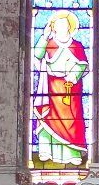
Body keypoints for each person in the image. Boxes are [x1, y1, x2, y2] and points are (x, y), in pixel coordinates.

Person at [32, 10, 88, 167]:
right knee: (48, 117)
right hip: (51, 86)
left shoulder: (76, 46)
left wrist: (74, 74)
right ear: (53, 28)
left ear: (70, 27)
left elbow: (83, 64)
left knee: (72, 120)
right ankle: (46, 150)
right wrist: (44, 37)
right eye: (58, 24)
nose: (61, 27)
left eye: (64, 24)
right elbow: (37, 54)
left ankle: (73, 152)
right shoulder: (49, 44)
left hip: (71, 88)